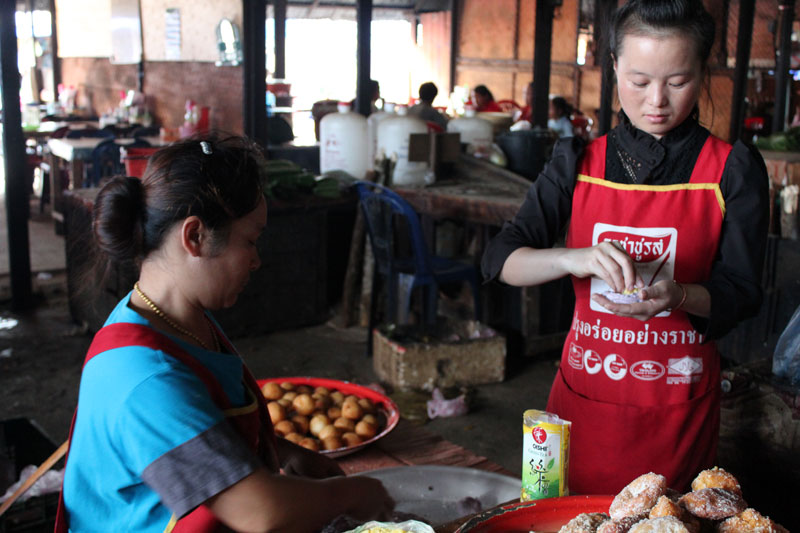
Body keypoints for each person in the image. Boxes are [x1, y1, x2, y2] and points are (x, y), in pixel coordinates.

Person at [481, 0, 769, 495]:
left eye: (677, 82)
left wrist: (677, 296)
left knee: (663, 520)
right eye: (639, 81)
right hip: (581, 400)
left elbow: (742, 294)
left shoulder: (733, 169)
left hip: (677, 410)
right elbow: (500, 260)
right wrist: (576, 258)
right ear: (613, 65)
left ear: (703, 73)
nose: (657, 100)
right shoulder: (577, 161)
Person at [57, 134, 394, 532]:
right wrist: (352, 494)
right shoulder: (146, 376)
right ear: (195, 236)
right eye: (250, 240)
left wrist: (283, 451)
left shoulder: (171, 317)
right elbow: (259, 512)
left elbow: (194, 429)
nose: (256, 260)